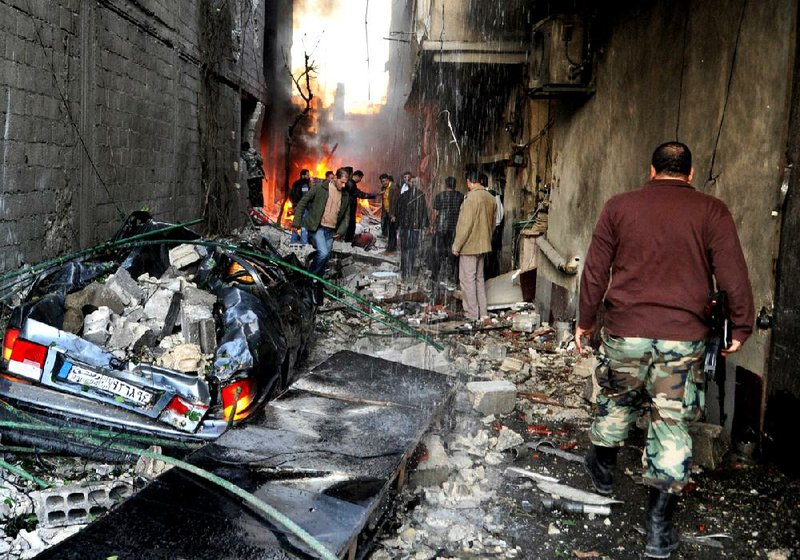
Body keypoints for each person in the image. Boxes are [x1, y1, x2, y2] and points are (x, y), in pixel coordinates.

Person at [575, 142, 754, 559]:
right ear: (690, 174)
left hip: (626, 330)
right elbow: (732, 272)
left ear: (651, 170)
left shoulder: (619, 206)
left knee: (618, 398)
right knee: (670, 421)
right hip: (680, 337)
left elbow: (596, 269)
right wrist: (741, 326)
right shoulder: (712, 211)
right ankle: (657, 528)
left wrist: (586, 321)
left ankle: (602, 471)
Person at [292, 167, 352, 278]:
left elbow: (346, 216)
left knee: (325, 258)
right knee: (323, 253)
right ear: (335, 177)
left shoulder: (345, 195)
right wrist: (296, 222)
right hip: (317, 227)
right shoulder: (320, 188)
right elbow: (303, 202)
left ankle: (317, 283)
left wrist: (341, 230)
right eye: (341, 182)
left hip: (331, 231)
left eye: (345, 183)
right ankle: (309, 278)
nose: (343, 185)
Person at [452, 171, 496, 321]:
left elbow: (465, 226)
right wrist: (486, 239)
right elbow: (493, 224)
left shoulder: (470, 199)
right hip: (483, 245)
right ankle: (483, 313)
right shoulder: (491, 198)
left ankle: (471, 314)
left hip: (469, 246)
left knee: (467, 280)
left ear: (470, 182)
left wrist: (457, 246)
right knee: (479, 279)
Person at [430, 176, 463, 288]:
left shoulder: (440, 196)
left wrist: (432, 226)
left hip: (441, 228)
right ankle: (453, 277)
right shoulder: (460, 197)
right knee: (453, 252)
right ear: (455, 185)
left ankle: (435, 276)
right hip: (455, 228)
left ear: (446, 184)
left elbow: (434, 212)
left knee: (438, 252)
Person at [396, 177, 429, 283]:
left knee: (405, 248)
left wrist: (399, 224)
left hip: (405, 227)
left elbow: (399, 211)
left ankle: (404, 271)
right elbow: (424, 211)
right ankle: (409, 270)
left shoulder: (404, 195)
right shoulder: (421, 196)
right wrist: (425, 224)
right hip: (415, 227)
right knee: (412, 248)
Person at [344, 169, 378, 243]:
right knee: (350, 224)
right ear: (357, 176)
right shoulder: (351, 183)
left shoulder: (351, 183)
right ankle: (348, 239)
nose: (360, 180)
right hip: (349, 207)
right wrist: (374, 195)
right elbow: (360, 194)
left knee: (351, 223)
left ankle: (348, 239)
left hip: (350, 207)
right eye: (360, 178)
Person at [483, 174, 505, 279]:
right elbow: (500, 215)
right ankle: (491, 276)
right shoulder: (495, 195)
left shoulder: (476, 196)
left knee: (484, 257)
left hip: (485, 231)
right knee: (492, 256)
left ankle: (486, 277)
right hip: (494, 231)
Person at [289, 169, 311, 245]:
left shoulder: (295, 183)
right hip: (302, 207)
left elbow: (291, 196)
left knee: (296, 223)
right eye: (307, 175)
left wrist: (294, 205)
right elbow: (306, 197)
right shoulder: (304, 185)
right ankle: (304, 242)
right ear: (303, 175)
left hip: (295, 206)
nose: (309, 177)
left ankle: (293, 241)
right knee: (304, 225)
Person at [241, 142, 265, 208]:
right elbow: (261, 161)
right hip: (259, 175)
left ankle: (254, 207)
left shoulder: (244, 154)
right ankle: (260, 207)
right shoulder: (254, 152)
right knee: (259, 192)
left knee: (253, 193)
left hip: (252, 177)